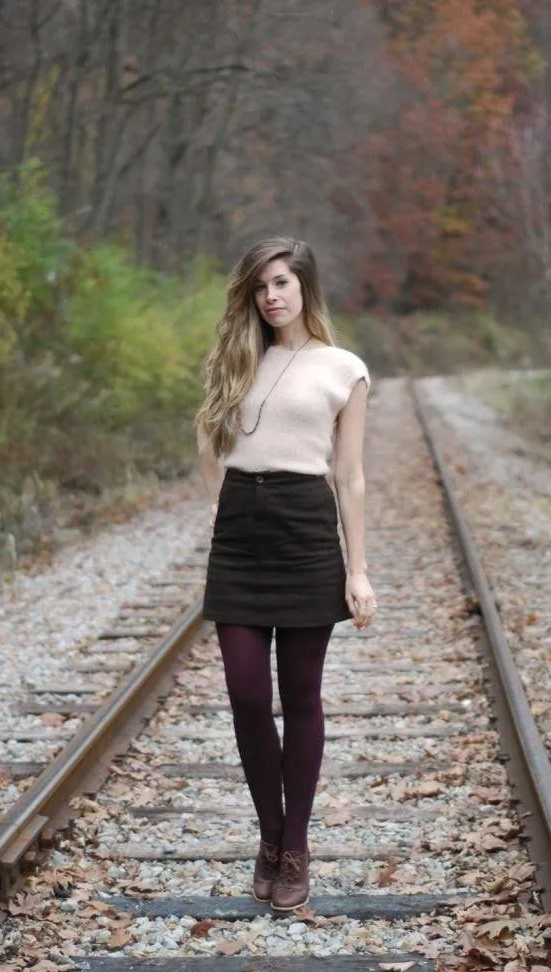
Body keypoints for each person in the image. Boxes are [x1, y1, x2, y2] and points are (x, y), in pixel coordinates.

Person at [194, 236, 377, 912]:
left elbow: (350, 475)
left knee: (300, 698)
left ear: (305, 286)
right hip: (241, 534)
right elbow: (208, 437)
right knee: (245, 695)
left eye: (281, 283)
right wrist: (219, 502)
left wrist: (358, 571)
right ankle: (268, 835)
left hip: (305, 531)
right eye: (260, 286)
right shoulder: (236, 358)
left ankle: (293, 847)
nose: (271, 296)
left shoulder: (343, 368)